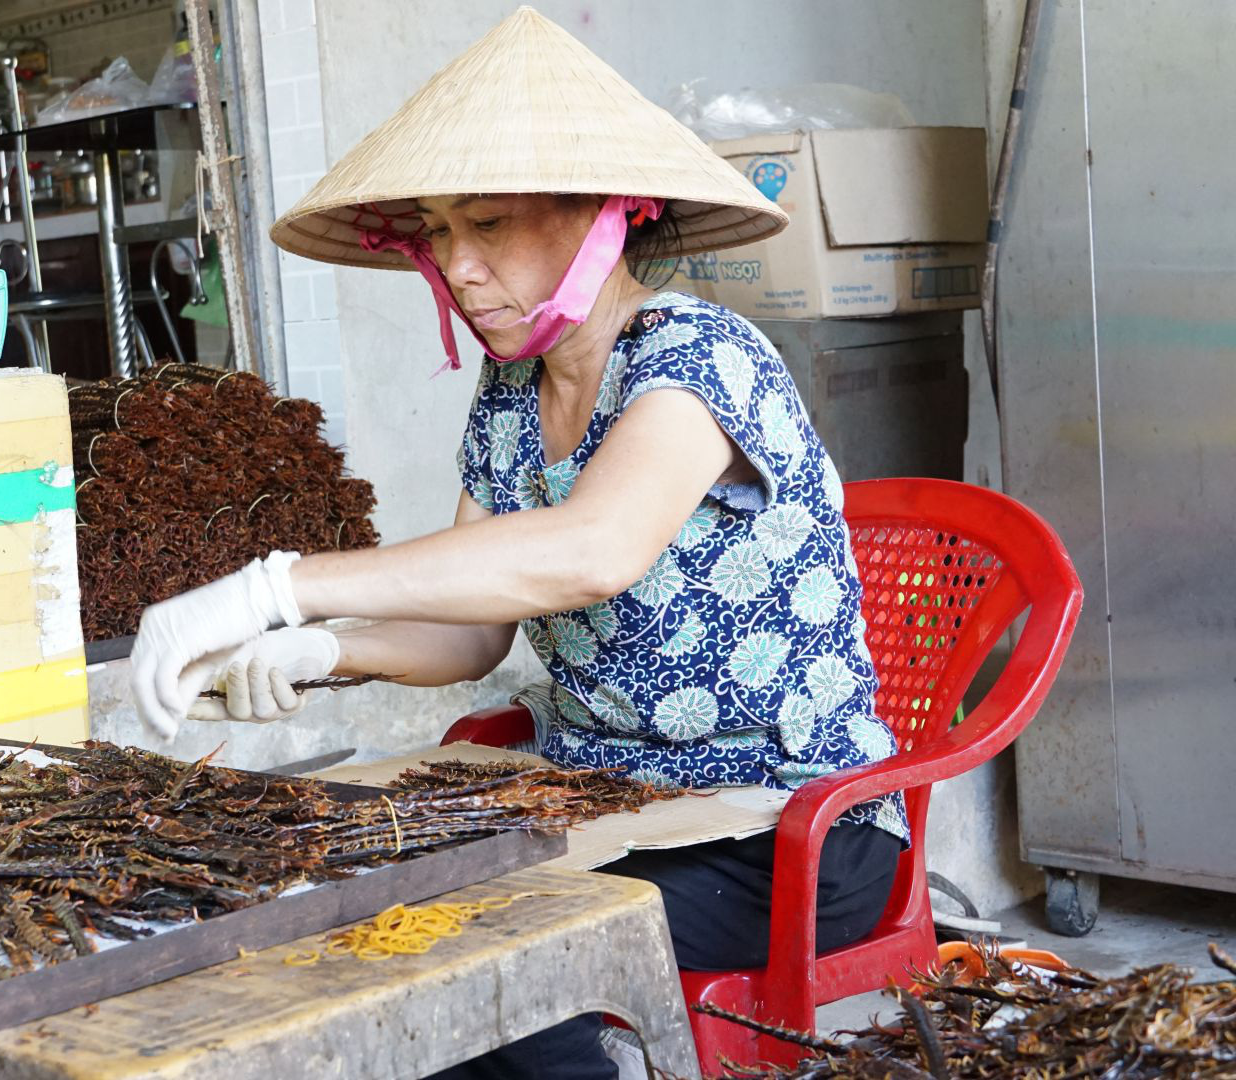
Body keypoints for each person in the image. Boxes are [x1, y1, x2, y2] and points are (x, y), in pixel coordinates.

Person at [128, 9, 907, 1077]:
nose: (457, 266)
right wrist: (322, 653)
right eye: (439, 232)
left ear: (605, 216)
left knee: (497, 960)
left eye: (488, 225)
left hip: (786, 828)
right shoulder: (509, 397)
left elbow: (594, 549)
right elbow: (470, 637)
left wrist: (280, 589)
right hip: (604, 802)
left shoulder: (701, 358)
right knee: (360, 913)